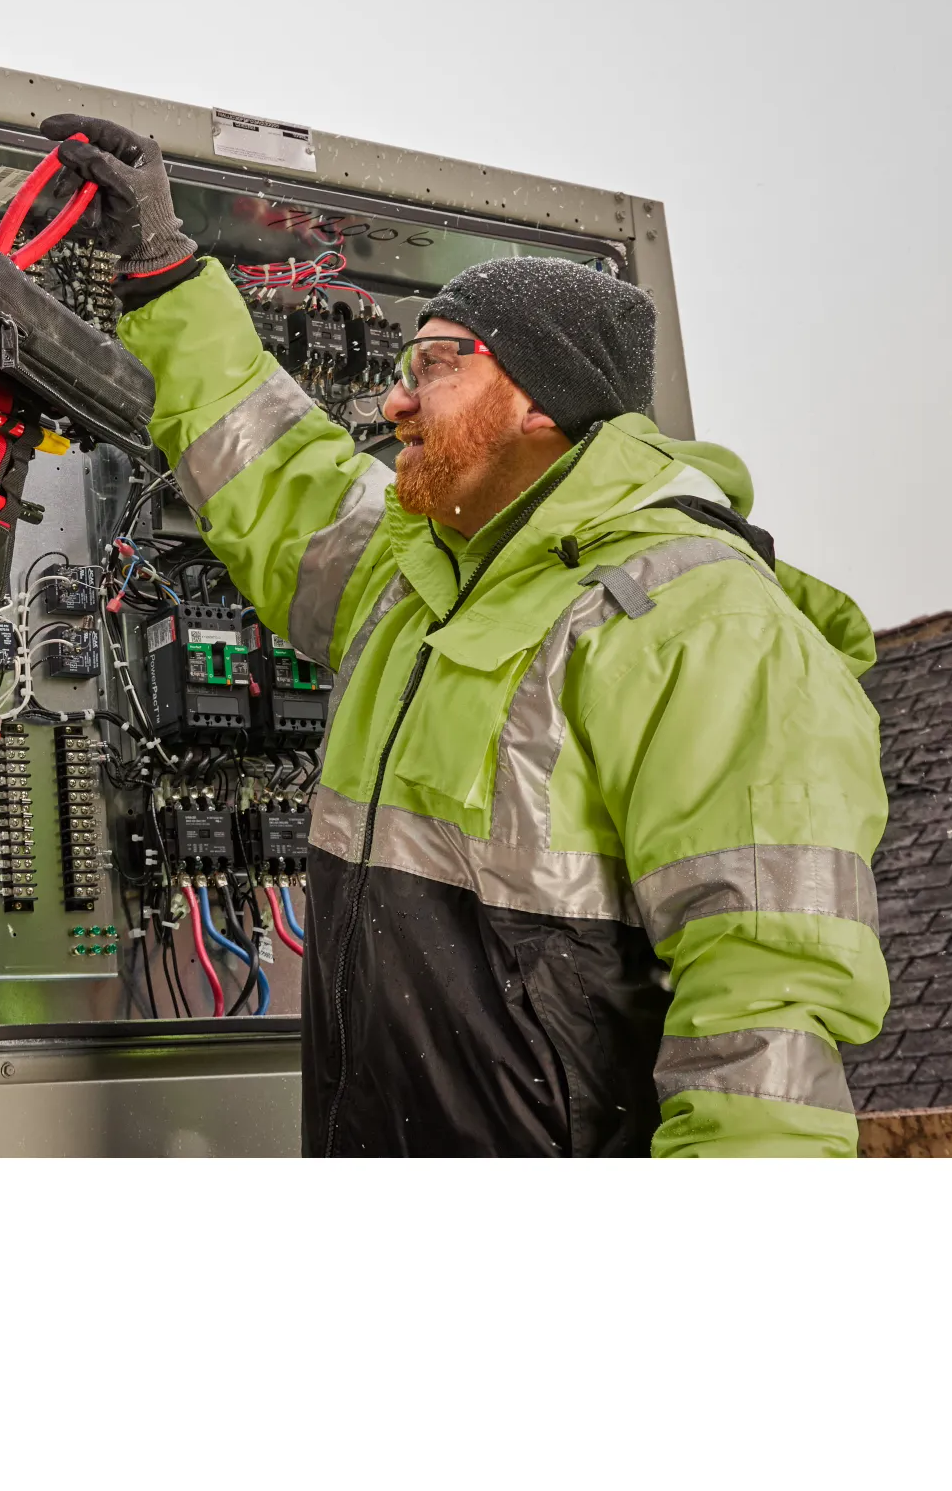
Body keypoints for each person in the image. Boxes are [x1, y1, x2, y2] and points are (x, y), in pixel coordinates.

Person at [43, 112, 890, 1157]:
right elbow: (274, 467)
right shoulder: (421, 578)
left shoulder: (705, 623)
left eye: (434, 363)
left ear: (538, 396)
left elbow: (769, 999)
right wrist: (166, 273)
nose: (392, 398)